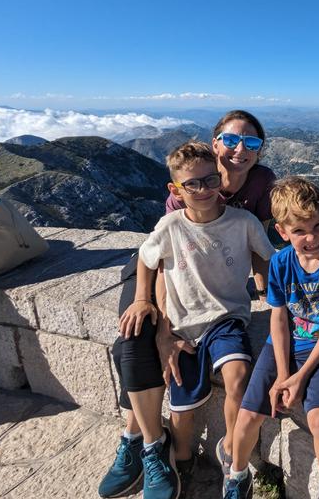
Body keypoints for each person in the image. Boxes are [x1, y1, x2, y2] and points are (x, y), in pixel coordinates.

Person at [100, 110, 276, 498]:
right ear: (216, 146)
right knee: (132, 341)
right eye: (231, 140)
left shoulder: (256, 194)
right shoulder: (174, 216)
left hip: (224, 314)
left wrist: (269, 284)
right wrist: (158, 318)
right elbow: (160, 261)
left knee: (235, 377)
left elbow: (264, 247)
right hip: (171, 294)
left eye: (251, 143)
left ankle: (231, 460)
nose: (240, 149)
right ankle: (147, 445)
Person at [223, 177, 319, 499]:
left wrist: (299, 377)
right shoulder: (281, 263)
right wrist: (283, 375)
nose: (311, 238)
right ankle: (237, 475)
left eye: (318, 226)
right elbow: (279, 318)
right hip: (283, 346)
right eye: (299, 231)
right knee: (246, 417)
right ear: (283, 233)